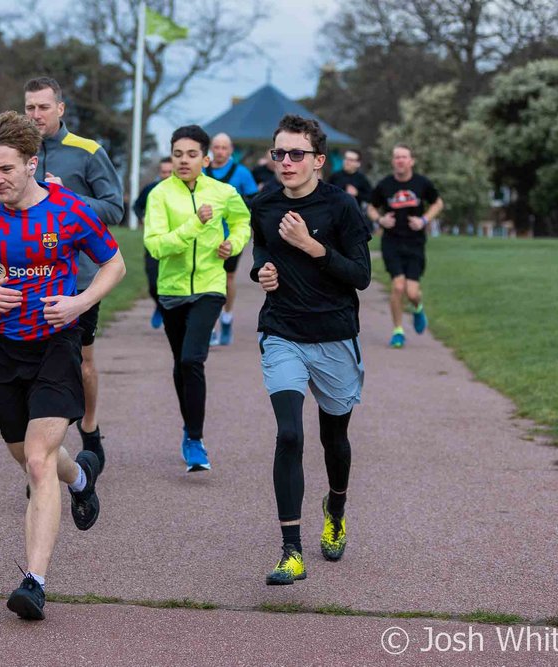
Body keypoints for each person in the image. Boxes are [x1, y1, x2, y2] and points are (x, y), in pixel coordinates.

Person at [0, 111, 125, 620]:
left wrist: (80, 302)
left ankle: (35, 582)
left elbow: (115, 264)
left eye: (5, 169)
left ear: (31, 162)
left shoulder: (70, 213)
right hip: (4, 346)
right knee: (29, 457)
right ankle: (83, 478)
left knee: (41, 462)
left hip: (56, 343)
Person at [248, 114, 371, 585]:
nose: (286, 162)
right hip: (282, 332)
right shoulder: (264, 205)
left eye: (296, 154)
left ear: (319, 160)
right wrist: (263, 273)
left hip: (336, 335)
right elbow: (261, 253)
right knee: (290, 435)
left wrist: (310, 246)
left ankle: (335, 508)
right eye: (279, 153)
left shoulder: (341, 208)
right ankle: (291, 551)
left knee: (333, 440)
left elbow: (360, 275)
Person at [24, 76, 124, 472]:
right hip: (28, 276)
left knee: (80, 361)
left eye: (43, 107)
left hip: (79, 278)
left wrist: (67, 198)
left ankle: (90, 427)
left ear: (60, 109)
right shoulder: (18, 152)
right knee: (37, 365)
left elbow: (114, 209)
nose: (36, 115)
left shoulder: (88, 151)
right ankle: (46, 454)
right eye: (29, 107)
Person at [144, 125, 250, 472]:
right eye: (177, 154)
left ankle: (195, 439)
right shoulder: (159, 195)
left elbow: (242, 222)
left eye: (191, 154)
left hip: (209, 286)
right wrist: (194, 224)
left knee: (192, 359)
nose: (184, 160)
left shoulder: (223, 191)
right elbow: (156, 245)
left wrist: (232, 245)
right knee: (180, 362)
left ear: (206, 158)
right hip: (173, 291)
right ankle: (189, 432)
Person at [367, 144, 444, 348]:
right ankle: (398, 331)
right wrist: (381, 220)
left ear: (411, 161)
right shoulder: (385, 185)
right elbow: (370, 207)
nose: (400, 160)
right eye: (396, 157)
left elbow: (438, 203)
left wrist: (424, 220)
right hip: (392, 241)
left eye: (404, 157)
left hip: (415, 242)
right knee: (398, 286)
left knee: (412, 293)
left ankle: (418, 309)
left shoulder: (422, 183)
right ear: (393, 162)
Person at [204, 133, 257, 346]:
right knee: (206, 280)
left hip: (230, 236)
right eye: (216, 147)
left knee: (227, 280)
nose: (220, 151)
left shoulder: (241, 173)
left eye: (224, 148)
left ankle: (226, 317)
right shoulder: (202, 171)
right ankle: (208, 326)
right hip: (205, 235)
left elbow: (254, 201)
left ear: (231, 149)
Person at [133, 157, 173, 328]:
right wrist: (142, 217)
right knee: (152, 283)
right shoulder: (151, 189)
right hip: (154, 242)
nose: (166, 175)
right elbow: (136, 206)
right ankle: (159, 304)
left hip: (175, 243)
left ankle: (173, 314)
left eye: (170, 172)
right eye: (163, 172)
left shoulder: (183, 191)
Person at [328, 148, 372, 213]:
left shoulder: (362, 179)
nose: (347, 162)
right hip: (334, 213)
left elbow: (370, 197)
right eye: (345, 158)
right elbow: (326, 193)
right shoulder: (335, 176)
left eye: (351, 160)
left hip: (353, 215)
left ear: (358, 163)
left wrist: (357, 193)